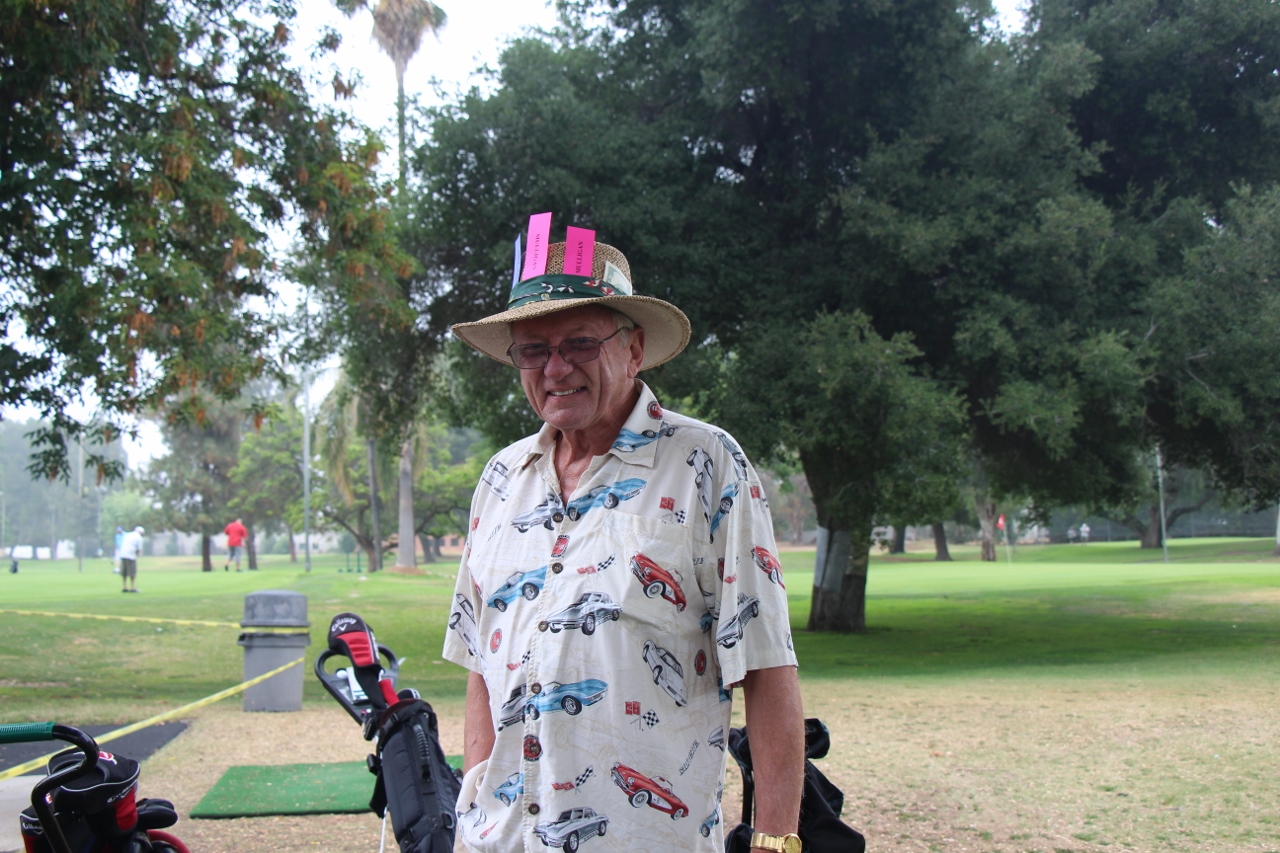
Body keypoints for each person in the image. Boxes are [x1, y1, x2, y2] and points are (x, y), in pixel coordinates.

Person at [443, 220, 805, 853]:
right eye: (532, 349)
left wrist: (778, 843)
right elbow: (480, 659)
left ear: (633, 349)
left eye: (580, 342)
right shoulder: (502, 479)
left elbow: (766, 665)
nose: (555, 368)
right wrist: (475, 800)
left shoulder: (706, 464)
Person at [118, 526, 144, 592]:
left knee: (124, 572)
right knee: (132, 572)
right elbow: (139, 549)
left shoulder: (128, 535)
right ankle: (132, 587)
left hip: (123, 554)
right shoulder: (139, 537)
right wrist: (137, 555)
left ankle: (124, 587)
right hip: (131, 556)